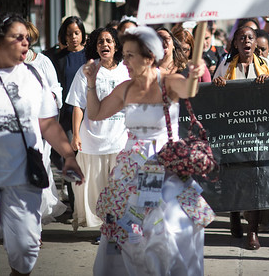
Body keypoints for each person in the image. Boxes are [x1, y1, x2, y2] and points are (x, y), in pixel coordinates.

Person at [86, 26, 209, 275]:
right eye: (125, 54)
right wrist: (91, 83)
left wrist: (196, 74)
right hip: (130, 169)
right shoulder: (126, 88)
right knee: (128, 230)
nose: (125, 60)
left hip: (164, 166)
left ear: (149, 57)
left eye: (131, 55)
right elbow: (96, 113)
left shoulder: (170, 81)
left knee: (167, 232)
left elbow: (190, 90)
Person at [0, 13, 83, 276]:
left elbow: (48, 124)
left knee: (26, 249)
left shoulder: (33, 76)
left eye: (27, 38)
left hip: (24, 177)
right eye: (17, 37)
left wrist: (68, 155)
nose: (25, 43)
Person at [212, 24, 269, 250]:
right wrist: (218, 85)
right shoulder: (225, 65)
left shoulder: (267, 65)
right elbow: (214, 99)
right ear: (236, 43)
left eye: (250, 38)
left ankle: (253, 231)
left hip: (258, 132)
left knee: (256, 181)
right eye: (242, 38)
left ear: (255, 42)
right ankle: (234, 215)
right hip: (233, 132)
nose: (246, 42)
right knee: (234, 179)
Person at [65, 27, 129, 232]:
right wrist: (75, 135)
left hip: (120, 140)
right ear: (95, 46)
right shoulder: (87, 71)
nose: (104, 45)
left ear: (116, 45)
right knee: (98, 189)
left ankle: (117, 226)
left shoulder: (126, 70)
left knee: (119, 186)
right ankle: (105, 227)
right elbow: (77, 105)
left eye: (109, 41)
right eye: (100, 42)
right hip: (92, 141)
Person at [23, 21, 67, 223]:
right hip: (19, 126)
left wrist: (49, 96)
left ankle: (36, 218)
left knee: (40, 164)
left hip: (41, 124)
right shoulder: (7, 63)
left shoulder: (43, 62)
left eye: (26, 38)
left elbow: (56, 89)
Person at [43, 15, 87, 210]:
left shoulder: (90, 57)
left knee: (87, 159)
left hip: (89, 115)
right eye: (69, 34)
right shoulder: (57, 59)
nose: (73, 37)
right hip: (66, 116)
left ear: (83, 34)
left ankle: (87, 203)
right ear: (64, 36)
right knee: (69, 157)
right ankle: (75, 205)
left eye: (77, 33)